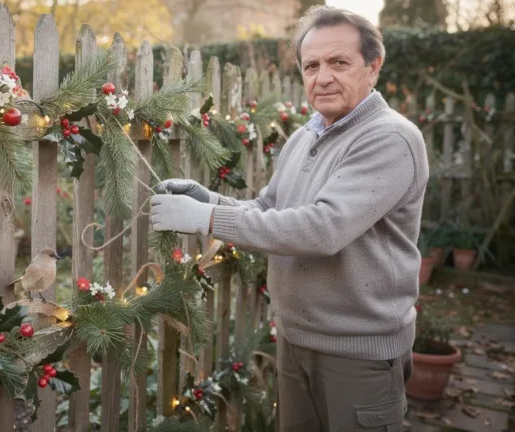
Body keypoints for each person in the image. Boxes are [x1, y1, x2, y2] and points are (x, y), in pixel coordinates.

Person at [151, 5, 429, 431]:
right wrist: (212, 201)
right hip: (297, 340)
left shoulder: (389, 138)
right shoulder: (305, 136)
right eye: (311, 65)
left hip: (358, 353)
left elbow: (323, 229)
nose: (323, 77)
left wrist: (206, 219)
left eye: (339, 62)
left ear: (373, 67)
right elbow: (268, 210)